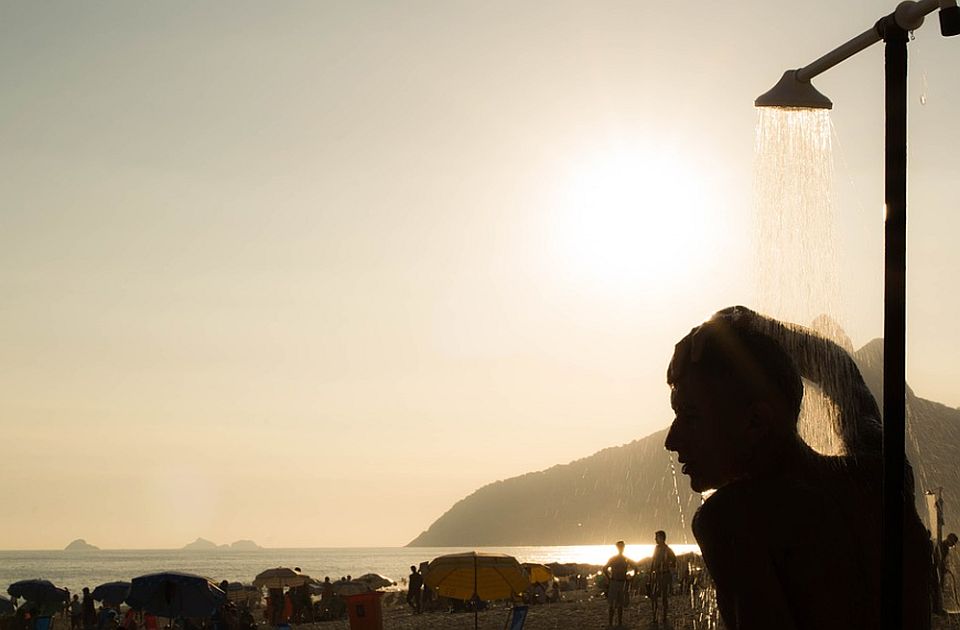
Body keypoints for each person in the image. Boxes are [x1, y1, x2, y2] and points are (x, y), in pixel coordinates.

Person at [665, 306, 931, 629]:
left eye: (690, 416)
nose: (672, 440)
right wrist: (756, 325)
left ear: (756, 422)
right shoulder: (882, 477)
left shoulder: (734, 519)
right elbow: (844, 375)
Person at [603, 540, 635, 628]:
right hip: (615, 582)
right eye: (619, 547)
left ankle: (619, 623)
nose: (621, 548)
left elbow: (636, 568)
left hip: (622, 582)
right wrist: (609, 578)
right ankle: (610, 623)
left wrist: (631, 578)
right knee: (612, 604)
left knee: (620, 604)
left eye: (622, 547)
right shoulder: (614, 559)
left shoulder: (626, 559)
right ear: (617, 548)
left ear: (623, 548)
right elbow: (605, 568)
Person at [650, 530, 677, 626]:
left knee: (663, 596)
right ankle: (655, 616)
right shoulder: (656, 548)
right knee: (654, 596)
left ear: (661, 538)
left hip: (664, 575)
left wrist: (666, 565)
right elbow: (653, 561)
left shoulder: (667, 549)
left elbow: (674, 560)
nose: (655, 539)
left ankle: (664, 617)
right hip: (657, 575)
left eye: (656, 537)